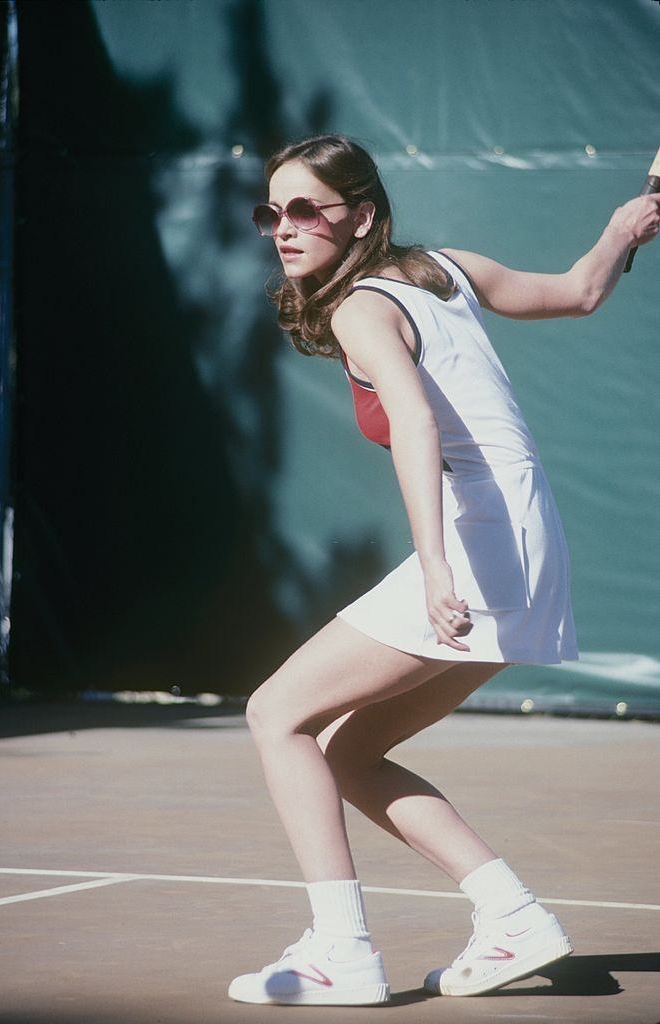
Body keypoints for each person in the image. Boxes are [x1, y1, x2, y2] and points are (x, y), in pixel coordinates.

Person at [228, 134, 660, 1007]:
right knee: (353, 751)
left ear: (359, 213)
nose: (284, 226)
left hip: (476, 538)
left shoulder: (360, 306)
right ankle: (513, 919)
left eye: (306, 207)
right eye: (271, 211)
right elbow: (580, 291)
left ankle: (339, 953)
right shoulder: (441, 268)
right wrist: (622, 228)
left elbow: (417, 425)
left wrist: (433, 569)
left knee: (275, 712)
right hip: (524, 536)